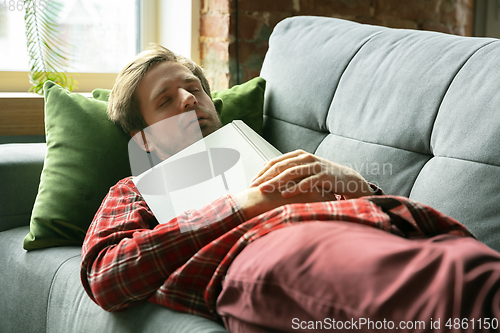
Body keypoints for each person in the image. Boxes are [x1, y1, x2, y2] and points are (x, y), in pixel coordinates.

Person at [81, 45, 500, 333]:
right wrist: (250, 203)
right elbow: (107, 274)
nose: (190, 100)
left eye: (193, 88)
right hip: (273, 250)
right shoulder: (135, 191)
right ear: (146, 138)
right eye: (167, 99)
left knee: (473, 267)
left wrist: (357, 186)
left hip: (394, 227)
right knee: (455, 295)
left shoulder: (271, 155)